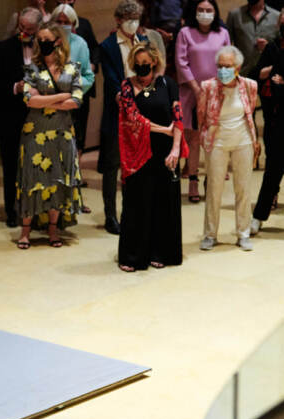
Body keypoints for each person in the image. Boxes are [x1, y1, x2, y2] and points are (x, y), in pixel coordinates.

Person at [117, 42, 188, 271]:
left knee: (163, 201)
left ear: (154, 62)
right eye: (137, 65)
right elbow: (132, 117)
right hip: (139, 152)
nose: (142, 69)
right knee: (138, 202)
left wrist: (175, 148)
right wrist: (162, 129)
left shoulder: (168, 83)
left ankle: (161, 252)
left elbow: (178, 117)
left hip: (165, 151)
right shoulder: (127, 86)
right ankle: (133, 256)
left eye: (145, 65)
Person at [15, 23, 84, 249]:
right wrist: (60, 96)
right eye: (39, 39)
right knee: (33, 177)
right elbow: (29, 100)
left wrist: (45, 98)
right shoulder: (31, 69)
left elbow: (76, 101)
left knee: (57, 179)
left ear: (57, 41)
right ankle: (25, 230)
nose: (43, 43)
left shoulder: (73, 68)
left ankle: (53, 229)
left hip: (62, 133)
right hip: (35, 132)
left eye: (47, 39)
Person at [197, 46, 258, 251]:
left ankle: (243, 233)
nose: (223, 70)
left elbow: (249, 112)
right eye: (220, 66)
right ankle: (210, 234)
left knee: (243, 187)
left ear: (237, 67)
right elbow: (201, 115)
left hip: (243, 141)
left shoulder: (250, 86)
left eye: (228, 66)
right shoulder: (208, 87)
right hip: (217, 142)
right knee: (214, 188)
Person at [99, 0, 151, 235]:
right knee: (113, 166)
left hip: (143, 111)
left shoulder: (145, 43)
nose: (133, 22)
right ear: (119, 20)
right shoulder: (108, 46)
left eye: (136, 17)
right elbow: (111, 79)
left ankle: (136, 211)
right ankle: (111, 215)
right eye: (128, 17)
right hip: (118, 112)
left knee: (140, 164)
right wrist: (127, 99)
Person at [0, 7, 41, 227]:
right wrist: (14, 87)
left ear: (38, 28)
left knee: (37, 166)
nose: (24, 32)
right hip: (10, 116)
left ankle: (36, 211)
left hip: (38, 116)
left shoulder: (45, 48)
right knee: (11, 167)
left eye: (29, 29)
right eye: (21, 27)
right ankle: (12, 211)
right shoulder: (2, 48)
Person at [176, 0, 231, 202]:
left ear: (215, 13)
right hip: (192, 92)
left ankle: (212, 177)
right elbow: (181, 61)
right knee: (194, 138)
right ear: (195, 12)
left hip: (217, 91)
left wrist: (218, 85)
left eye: (209, 10)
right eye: (201, 10)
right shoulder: (185, 33)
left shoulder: (223, 34)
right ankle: (192, 181)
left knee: (214, 137)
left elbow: (228, 60)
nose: (205, 13)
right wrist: (196, 87)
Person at [251, 20, 284, 232]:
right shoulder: (283, 56)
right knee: (272, 172)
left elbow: (283, 86)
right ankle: (258, 217)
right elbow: (276, 89)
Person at [51, 4, 95, 213]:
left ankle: (74, 198)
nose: (62, 25)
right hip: (49, 104)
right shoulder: (45, 42)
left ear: (73, 24)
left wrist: (73, 93)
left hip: (74, 102)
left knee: (73, 155)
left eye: (66, 22)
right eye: (58, 21)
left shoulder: (81, 44)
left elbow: (88, 75)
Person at [227, 0, 280, 77]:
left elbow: (283, 48)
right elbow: (227, 46)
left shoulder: (277, 16)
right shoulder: (234, 15)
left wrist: (269, 47)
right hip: (242, 74)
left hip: (267, 76)